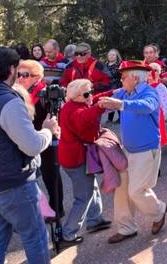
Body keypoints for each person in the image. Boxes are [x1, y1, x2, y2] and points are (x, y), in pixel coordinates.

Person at [0, 48, 60, 264]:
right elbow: (32, 145)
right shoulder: (9, 102)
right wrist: (48, 130)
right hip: (12, 184)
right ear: (11, 69)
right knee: (36, 238)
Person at [97, 61, 167, 244]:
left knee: (136, 191)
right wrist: (86, 97)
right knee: (121, 190)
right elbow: (108, 96)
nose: (120, 80)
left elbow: (146, 106)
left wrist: (121, 104)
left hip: (146, 150)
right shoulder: (124, 92)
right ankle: (126, 228)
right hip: (127, 149)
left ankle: (159, 210)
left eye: (123, 76)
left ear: (135, 78)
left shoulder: (150, 93)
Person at [58, 79, 111, 248]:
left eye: (91, 91)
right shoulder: (75, 110)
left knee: (91, 186)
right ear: (76, 96)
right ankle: (68, 233)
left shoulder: (76, 103)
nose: (91, 96)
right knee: (83, 196)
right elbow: (86, 116)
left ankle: (95, 220)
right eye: (87, 94)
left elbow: (94, 100)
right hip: (75, 159)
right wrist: (100, 107)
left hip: (76, 156)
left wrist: (113, 93)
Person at [17, 60, 65, 218]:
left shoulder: (45, 94)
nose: (20, 78)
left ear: (37, 77)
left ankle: (57, 209)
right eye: (18, 74)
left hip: (47, 140)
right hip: (29, 140)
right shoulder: (19, 93)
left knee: (50, 175)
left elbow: (56, 118)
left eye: (25, 75)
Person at [105, 48, 122, 123]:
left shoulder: (119, 65)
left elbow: (114, 75)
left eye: (113, 55)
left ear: (117, 56)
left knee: (117, 102)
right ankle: (109, 119)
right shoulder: (105, 65)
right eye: (110, 55)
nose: (111, 56)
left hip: (117, 86)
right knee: (109, 103)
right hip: (107, 87)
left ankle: (120, 119)